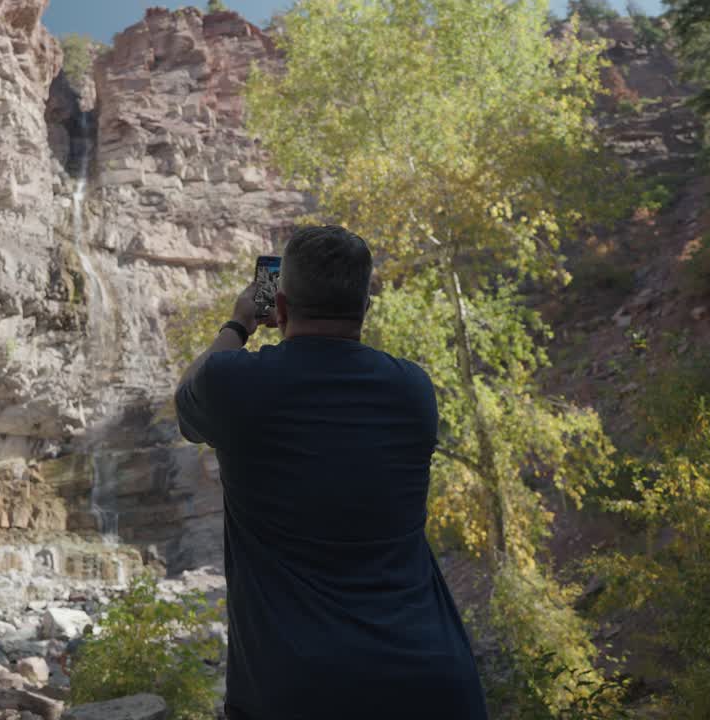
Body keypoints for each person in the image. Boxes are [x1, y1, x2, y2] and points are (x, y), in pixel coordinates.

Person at [174, 226, 488, 720]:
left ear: (278, 308)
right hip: (431, 682)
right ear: (366, 308)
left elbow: (188, 402)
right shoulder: (413, 391)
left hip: (298, 690)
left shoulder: (234, 384)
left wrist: (238, 324)